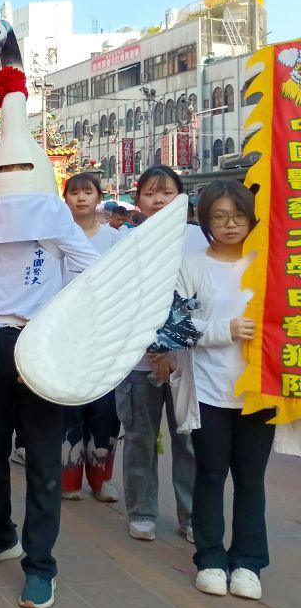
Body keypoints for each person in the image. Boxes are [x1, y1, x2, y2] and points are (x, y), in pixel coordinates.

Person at [0, 59, 97, 608]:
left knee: (40, 458)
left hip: (41, 345)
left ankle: (42, 564)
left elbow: (90, 270)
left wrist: (63, 316)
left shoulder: (58, 220)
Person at [173, 182, 271, 600]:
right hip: (209, 390)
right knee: (210, 474)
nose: (230, 225)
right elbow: (172, 328)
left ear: (251, 218)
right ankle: (210, 557)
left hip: (259, 392)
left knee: (251, 478)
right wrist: (223, 331)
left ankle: (248, 563)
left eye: (238, 216)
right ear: (205, 220)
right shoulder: (192, 266)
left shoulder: (270, 264)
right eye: (219, 217)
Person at [116, 165, 205, 543]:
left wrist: (171, 345)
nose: (158, 200)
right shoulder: (126, 242)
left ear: (181, 199)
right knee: (139, 437)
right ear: (137, 201)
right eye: (150, 193)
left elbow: (202, 297)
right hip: (138, 359)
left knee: (188, 439)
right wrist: (153, 348)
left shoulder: (200, 239)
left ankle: (191, 515)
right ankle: (142, 511)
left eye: (166, 192)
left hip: (188, 360)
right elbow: (121, 300)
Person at [60, 172, 123, 502]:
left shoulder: (116, 239)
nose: (81, 197)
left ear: (99, 197)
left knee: (104, 409)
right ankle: (68, 479)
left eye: (88, 191)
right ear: (65, 197)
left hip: (104, 335)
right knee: (70, 406)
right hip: (67, 335)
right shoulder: (56, 238)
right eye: (74, 192)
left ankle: (101, 479)